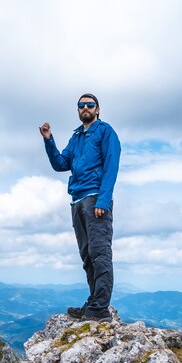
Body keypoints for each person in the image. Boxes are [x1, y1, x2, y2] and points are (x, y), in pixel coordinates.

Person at [39, 93, 121, 322]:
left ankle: (100, 309)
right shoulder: (76, 137)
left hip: (95, 198)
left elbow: (111, 166)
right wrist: (49, 140)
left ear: (97, 109)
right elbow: (60, 164)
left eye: (90, 105)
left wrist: (104, 201)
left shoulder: (105, 131)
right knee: (87, 255)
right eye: (81, 105)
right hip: (76, 201)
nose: (85, 108)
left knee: (99, 252)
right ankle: (94, 300)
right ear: (78, 110)